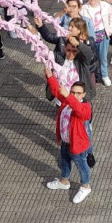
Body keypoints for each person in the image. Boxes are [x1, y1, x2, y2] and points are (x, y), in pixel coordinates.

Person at [44, 68, 94, 204]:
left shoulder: (85, 107)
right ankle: (64, 181)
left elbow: (80, 111)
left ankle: (85, 186)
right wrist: (50, 77)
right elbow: (56, 90)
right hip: (66, 142)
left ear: (84, 94)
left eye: (78, 93)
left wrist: (68, 96)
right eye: (72, 92)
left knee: (82, 166)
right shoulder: (67, 102)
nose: (75, 95)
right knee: (64, 162)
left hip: (78, 145)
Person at [80, 0, 112, 87]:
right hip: (90, 36)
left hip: (103, 34)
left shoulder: (105, 6)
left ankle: (104, 75)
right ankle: (93, 76)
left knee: (103, 56)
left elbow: (111, 17)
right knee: (91, 56)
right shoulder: (83, 9)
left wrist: (110, 30)